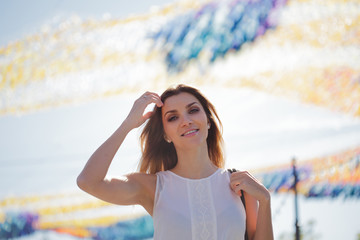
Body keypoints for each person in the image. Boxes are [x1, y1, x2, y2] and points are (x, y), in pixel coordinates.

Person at [77, 84, 273, 240]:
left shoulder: (240, 184)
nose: (185, 121)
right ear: (166, 135)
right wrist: (128, 124)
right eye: (173, 118)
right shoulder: (153, 187)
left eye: (193, 110)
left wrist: (264, 200)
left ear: (208, 121)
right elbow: (88, 181)